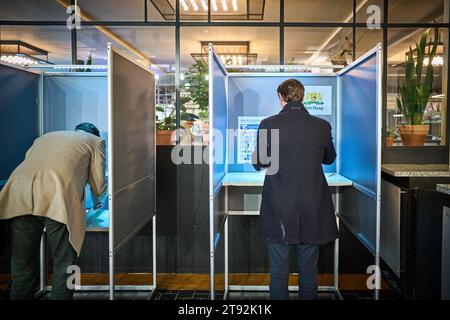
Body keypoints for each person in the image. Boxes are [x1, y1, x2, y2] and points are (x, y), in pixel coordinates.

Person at [252, 79, 337, 300]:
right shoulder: (322, 125)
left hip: (279, 205)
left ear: (281, 97)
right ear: (302, 96)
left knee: (278, 272)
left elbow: (259, 161)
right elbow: (329, 159)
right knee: (309, 272)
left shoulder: (268, 124)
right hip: (312, 205)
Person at [0, 123, 107, 300]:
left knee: (22, 264)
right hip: (57, 200)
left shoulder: (45, 137)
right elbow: (98, 183)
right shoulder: (96, 141)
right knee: (66, 264)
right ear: (94, 133)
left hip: (19, 196)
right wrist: (98, 202)